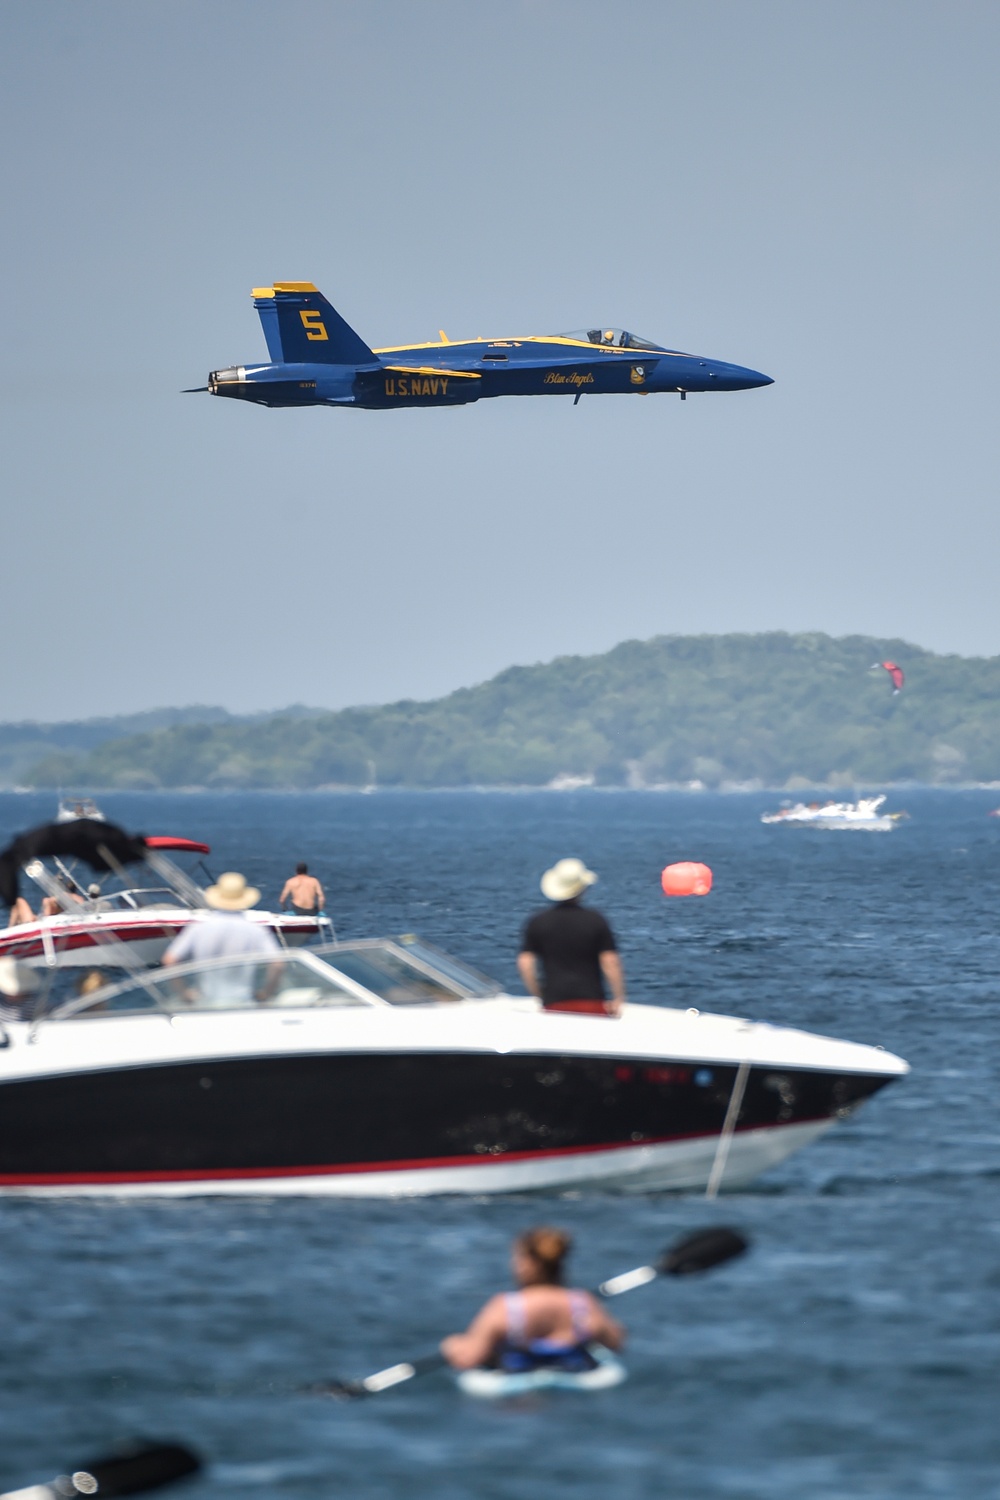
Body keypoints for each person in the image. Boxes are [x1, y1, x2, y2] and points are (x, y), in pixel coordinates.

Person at [440, 1226, 624, 1374]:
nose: (513, 1264)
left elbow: (470, 1358)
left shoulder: (505, 1306)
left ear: (530, 1265)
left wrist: (452, 1345)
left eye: (518, 1257)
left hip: (519, 1390)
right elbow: (615, 1342)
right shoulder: (582, 1303)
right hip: (572, 1374)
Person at [517, 858, 625, 1016]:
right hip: (592, 1002)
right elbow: (610, 961)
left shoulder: (538, 922)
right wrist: (618, 998)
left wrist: (540, 995)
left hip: (554, 1003)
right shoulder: (595, 920)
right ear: (582, 889)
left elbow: (525, 964)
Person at [163, 871, 281, 1006]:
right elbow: (277, 963)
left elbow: (170, 960)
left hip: (206, 1003)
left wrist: (184, 994)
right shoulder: (256, 930)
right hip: (243, 1003)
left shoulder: (198, 928)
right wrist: (266, 993)